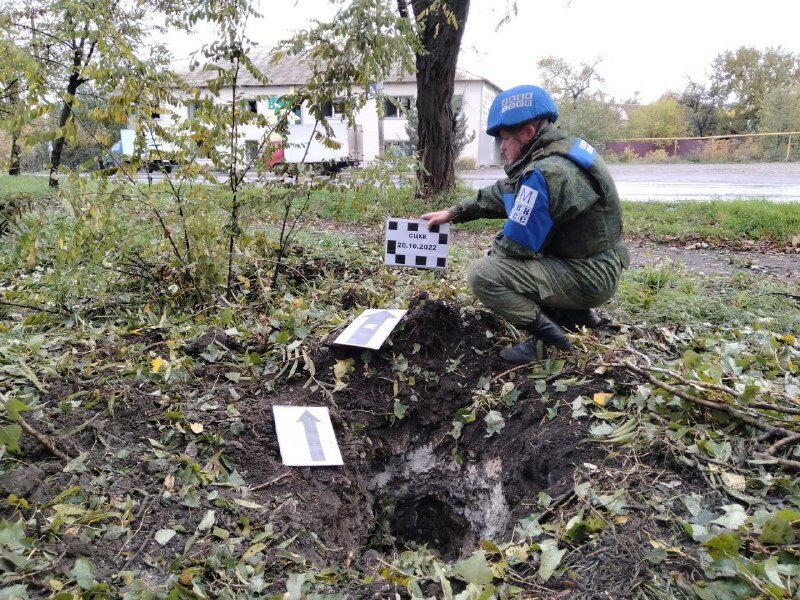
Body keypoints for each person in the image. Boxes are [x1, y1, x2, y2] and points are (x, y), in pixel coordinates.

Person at [422, 84, 629, 364]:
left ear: (529, 132)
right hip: (600, 261)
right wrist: (454, 212)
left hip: (591, 275)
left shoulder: (547, 173)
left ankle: (550, 340)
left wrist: (495, 254)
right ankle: (578, 314)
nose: (502, 146)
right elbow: (505, 191)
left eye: (505, 139)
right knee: (512, 261)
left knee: (485, 274)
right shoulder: (560, 150)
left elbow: (516, 246)